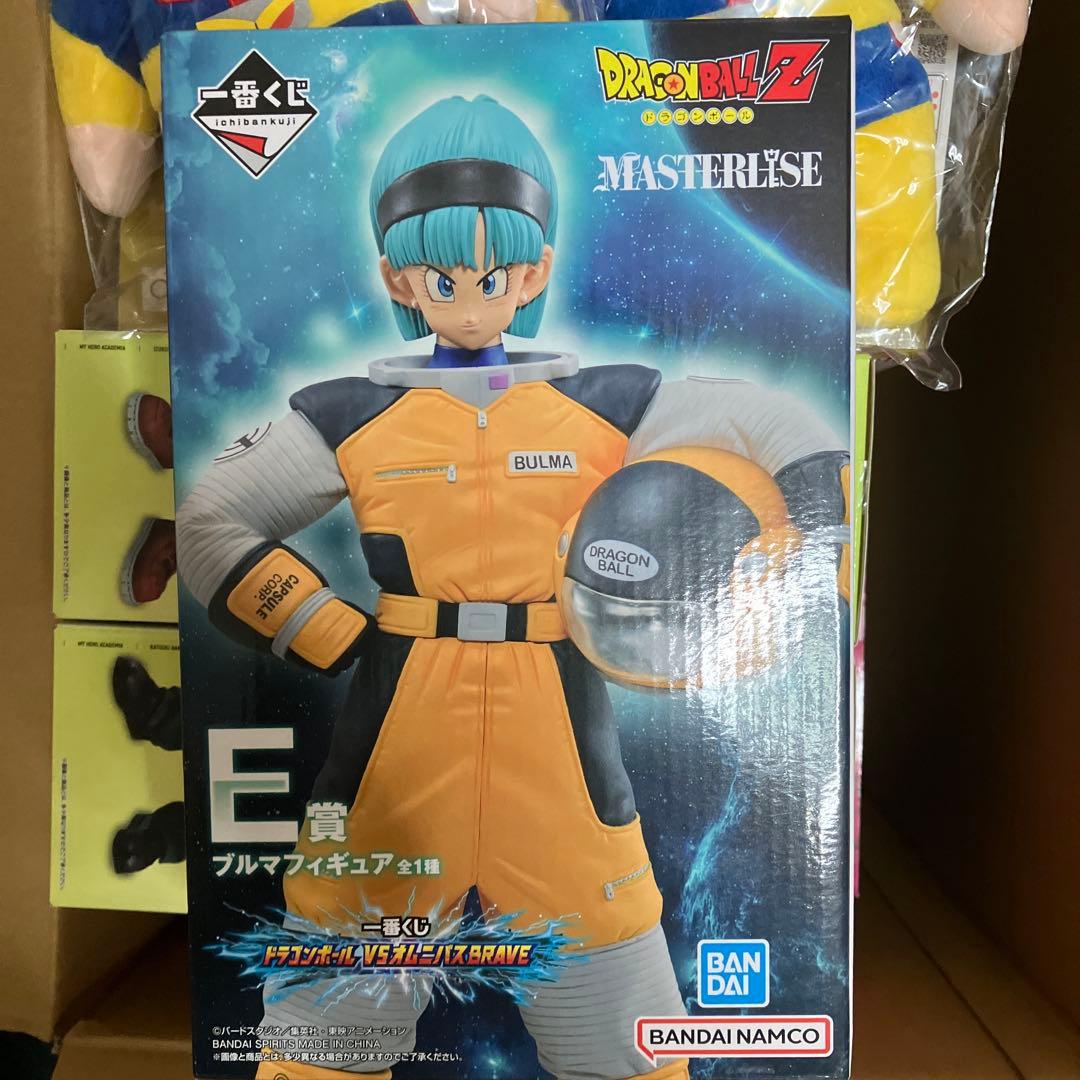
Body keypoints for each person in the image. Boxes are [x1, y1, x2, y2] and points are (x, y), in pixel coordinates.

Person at [177, 94, 846, 1079]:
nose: (467, 297)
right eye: (439, 275)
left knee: (629, 1047)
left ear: (533, 272)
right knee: (319, 1050)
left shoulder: (611, 403)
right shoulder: (349, 415)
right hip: (397, 731)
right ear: (397, 276)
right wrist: (321, 628)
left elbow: (787, 429)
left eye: (493, 275)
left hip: (560, 735)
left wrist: (807, 557)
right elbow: (208, 524)